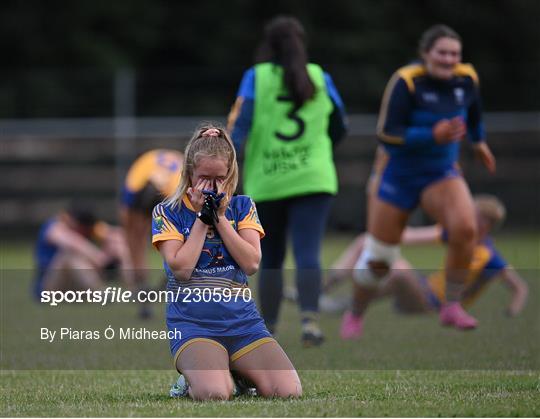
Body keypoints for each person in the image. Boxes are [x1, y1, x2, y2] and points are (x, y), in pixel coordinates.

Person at [353, 24, 496, 331]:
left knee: (466, 227)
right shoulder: (406, 81)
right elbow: (386, 134)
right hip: (400, 175)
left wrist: (479, 141)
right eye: (442, 53)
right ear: (426, 54)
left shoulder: (467, 78)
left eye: (454, 54)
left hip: (441, 173)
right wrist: (432, 134)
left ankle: (452, 305)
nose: (449, 59)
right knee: (380, 258)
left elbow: (474, 115)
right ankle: (356, 311)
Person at [152, 124, 301, 400]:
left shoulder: (243, 206)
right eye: (204, 178)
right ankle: (193, 380)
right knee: (215, 394)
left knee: (288, 391)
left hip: (243, 324)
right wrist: (201, 219)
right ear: (189, 174)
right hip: (194, 326)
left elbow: (251, 263)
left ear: (230, 173)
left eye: (219, 177)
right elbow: (182, 269)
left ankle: (239, 372)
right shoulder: (167, 211)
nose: (212, 186)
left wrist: (219, 219)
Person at [227, 15, 347, 346]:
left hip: (269, 179)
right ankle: (310, 323)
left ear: (268, 45)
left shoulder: (256, 77)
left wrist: (229, 164)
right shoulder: (320, 76)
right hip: (314, 176)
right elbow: (340, 125)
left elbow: (239, 127)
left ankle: (269, 328)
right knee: (308, 252)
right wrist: (319, 152)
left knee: (270, 256)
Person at [340, 195, 529, 339]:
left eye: (471, 213)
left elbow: (520, 287)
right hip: (423, 287)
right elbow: (411, 236)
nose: (463, 215)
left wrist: (511, 311)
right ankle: (339, 295)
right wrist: (385, 233)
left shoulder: (489, 256)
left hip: (432, 303)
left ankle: (349, 304)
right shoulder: (455, 234)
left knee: (399, 272)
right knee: (367, 243)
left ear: (485, 224)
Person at [120, 149, 183, 317]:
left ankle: (173, 286)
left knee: (179, 242)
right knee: (135, 235)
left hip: (175, 180)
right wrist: (136, 268)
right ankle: (141, 285)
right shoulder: (133, 186)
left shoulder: (178, 191)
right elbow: (129, 230)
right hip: (147, 169)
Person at [34, 203, 134, 299]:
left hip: (77, 287)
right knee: (69, 255)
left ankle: (133, 289)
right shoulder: (54, 226)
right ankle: (100, 293)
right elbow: (74, 243)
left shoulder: (91, 228)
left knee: (118, 247)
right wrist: (99, 257)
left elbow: (120, 236)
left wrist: (111, 249)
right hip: (50, 288)